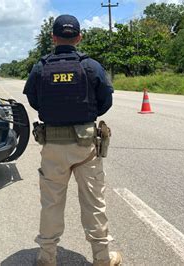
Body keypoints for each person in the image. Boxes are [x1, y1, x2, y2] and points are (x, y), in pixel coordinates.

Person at [23, 14, 121, 266]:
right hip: (86, 146)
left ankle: (46, 258)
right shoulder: (91, 66)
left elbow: (34, 100)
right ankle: (102, 258)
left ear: (53, 37)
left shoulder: (40, 67)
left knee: (51, 204)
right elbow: (106, 101)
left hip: (53, 146)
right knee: (94, 203)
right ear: (79, 37)